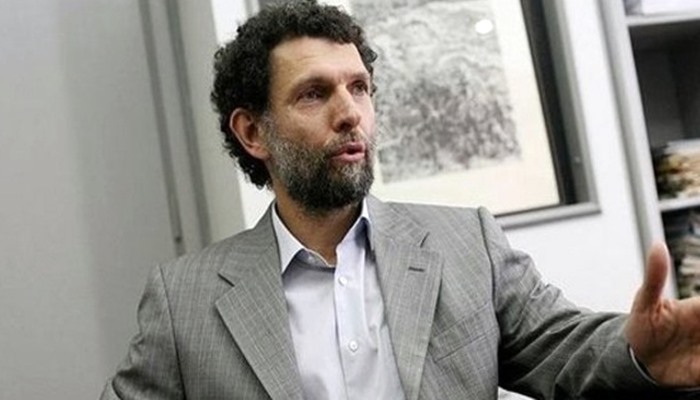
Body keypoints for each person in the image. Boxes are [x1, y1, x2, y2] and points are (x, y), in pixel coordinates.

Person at [101, 1, 700, 399]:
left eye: (359, 87)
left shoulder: (468, 245)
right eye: (314, 94)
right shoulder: (183, 302)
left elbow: (566, 349)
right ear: (253, 132)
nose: (350, 114)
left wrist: (642, 354)